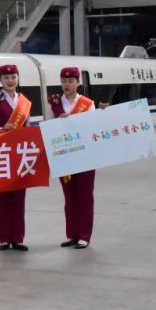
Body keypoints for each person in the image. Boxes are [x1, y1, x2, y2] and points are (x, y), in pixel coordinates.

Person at [46, 67, 98, 249]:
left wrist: (73, 121)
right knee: (70, 197)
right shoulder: (53, 103)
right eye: (64, 81)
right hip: (64, 157)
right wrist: (59, 123)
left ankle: (84, 235)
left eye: (71, 81)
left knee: (85, 197)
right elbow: (48, 127)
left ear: (78, 82)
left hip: (85, 157)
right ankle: (72, 234)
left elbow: (92, 128)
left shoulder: (87, 104)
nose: (67, 85)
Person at [0, 64, 33, 252]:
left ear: (18, 78)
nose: (10, 81)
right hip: (2, 155)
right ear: (0, 80)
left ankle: (18, 238)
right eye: (6, 78)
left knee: (20, 198)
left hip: (20, 155)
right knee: (3, 198)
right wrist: (0, 128)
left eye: (13, 77)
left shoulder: (24, 102)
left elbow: (28, 126)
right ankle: (4, 238)